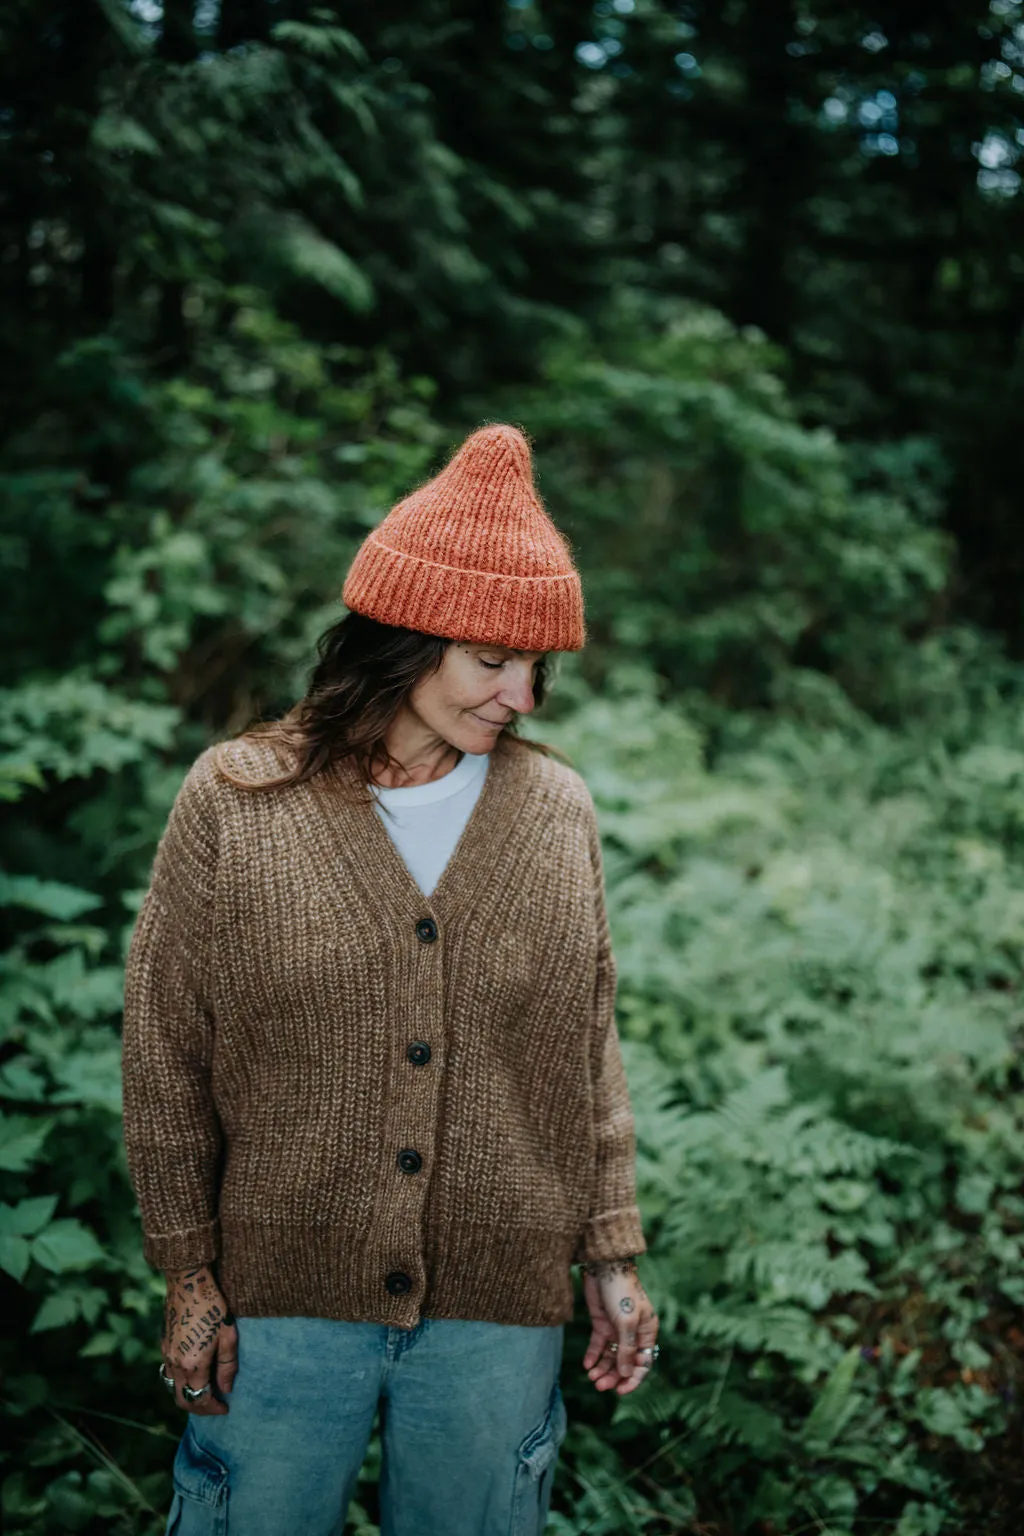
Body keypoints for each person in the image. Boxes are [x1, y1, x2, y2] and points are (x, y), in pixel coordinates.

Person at [121, 422, 659, 1536]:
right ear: (402, 641)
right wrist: (187, 1274)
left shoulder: (554, 814)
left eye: (538, 667)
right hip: (277, 1302)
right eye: (492, 660)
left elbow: (582, 1045)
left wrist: (608, 1252)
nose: (524, 696)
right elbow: (165, 1047)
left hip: (497, 1306)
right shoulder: (238, 802)